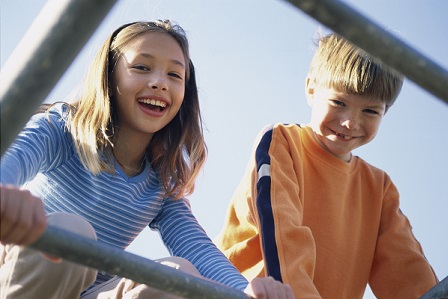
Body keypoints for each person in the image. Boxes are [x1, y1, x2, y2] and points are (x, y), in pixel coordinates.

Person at [0, 20, 294, 299]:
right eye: (142, 67)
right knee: (72, 232)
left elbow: (197, 250)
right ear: (109, 75)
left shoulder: (160, 183)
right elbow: (11, 159)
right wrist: (7, 197)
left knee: (178, 275)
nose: (159, 82)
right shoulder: (64, 130)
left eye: (174, 74)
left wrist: (245, 292)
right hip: (21, 277)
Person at [214, 33, 439, 299]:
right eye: (339, 102)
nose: (350, 123)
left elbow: (408, 272)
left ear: (385, 112)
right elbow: (284, 242)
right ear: (311, 88)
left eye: (370, 111)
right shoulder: (282, 143)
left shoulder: (378, 188)